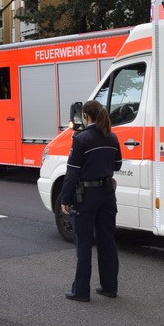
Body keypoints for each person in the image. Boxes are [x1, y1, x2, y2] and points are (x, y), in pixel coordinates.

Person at [59, 100, 122, 301]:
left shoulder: (81, 139)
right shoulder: (111, 137)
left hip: (86, 198)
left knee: (84, 244)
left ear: (85, 117)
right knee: (107, 242)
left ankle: (81, 291)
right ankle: (109, 287)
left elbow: (72, 172)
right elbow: (118, 165)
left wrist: (65, 199)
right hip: (107, 196)